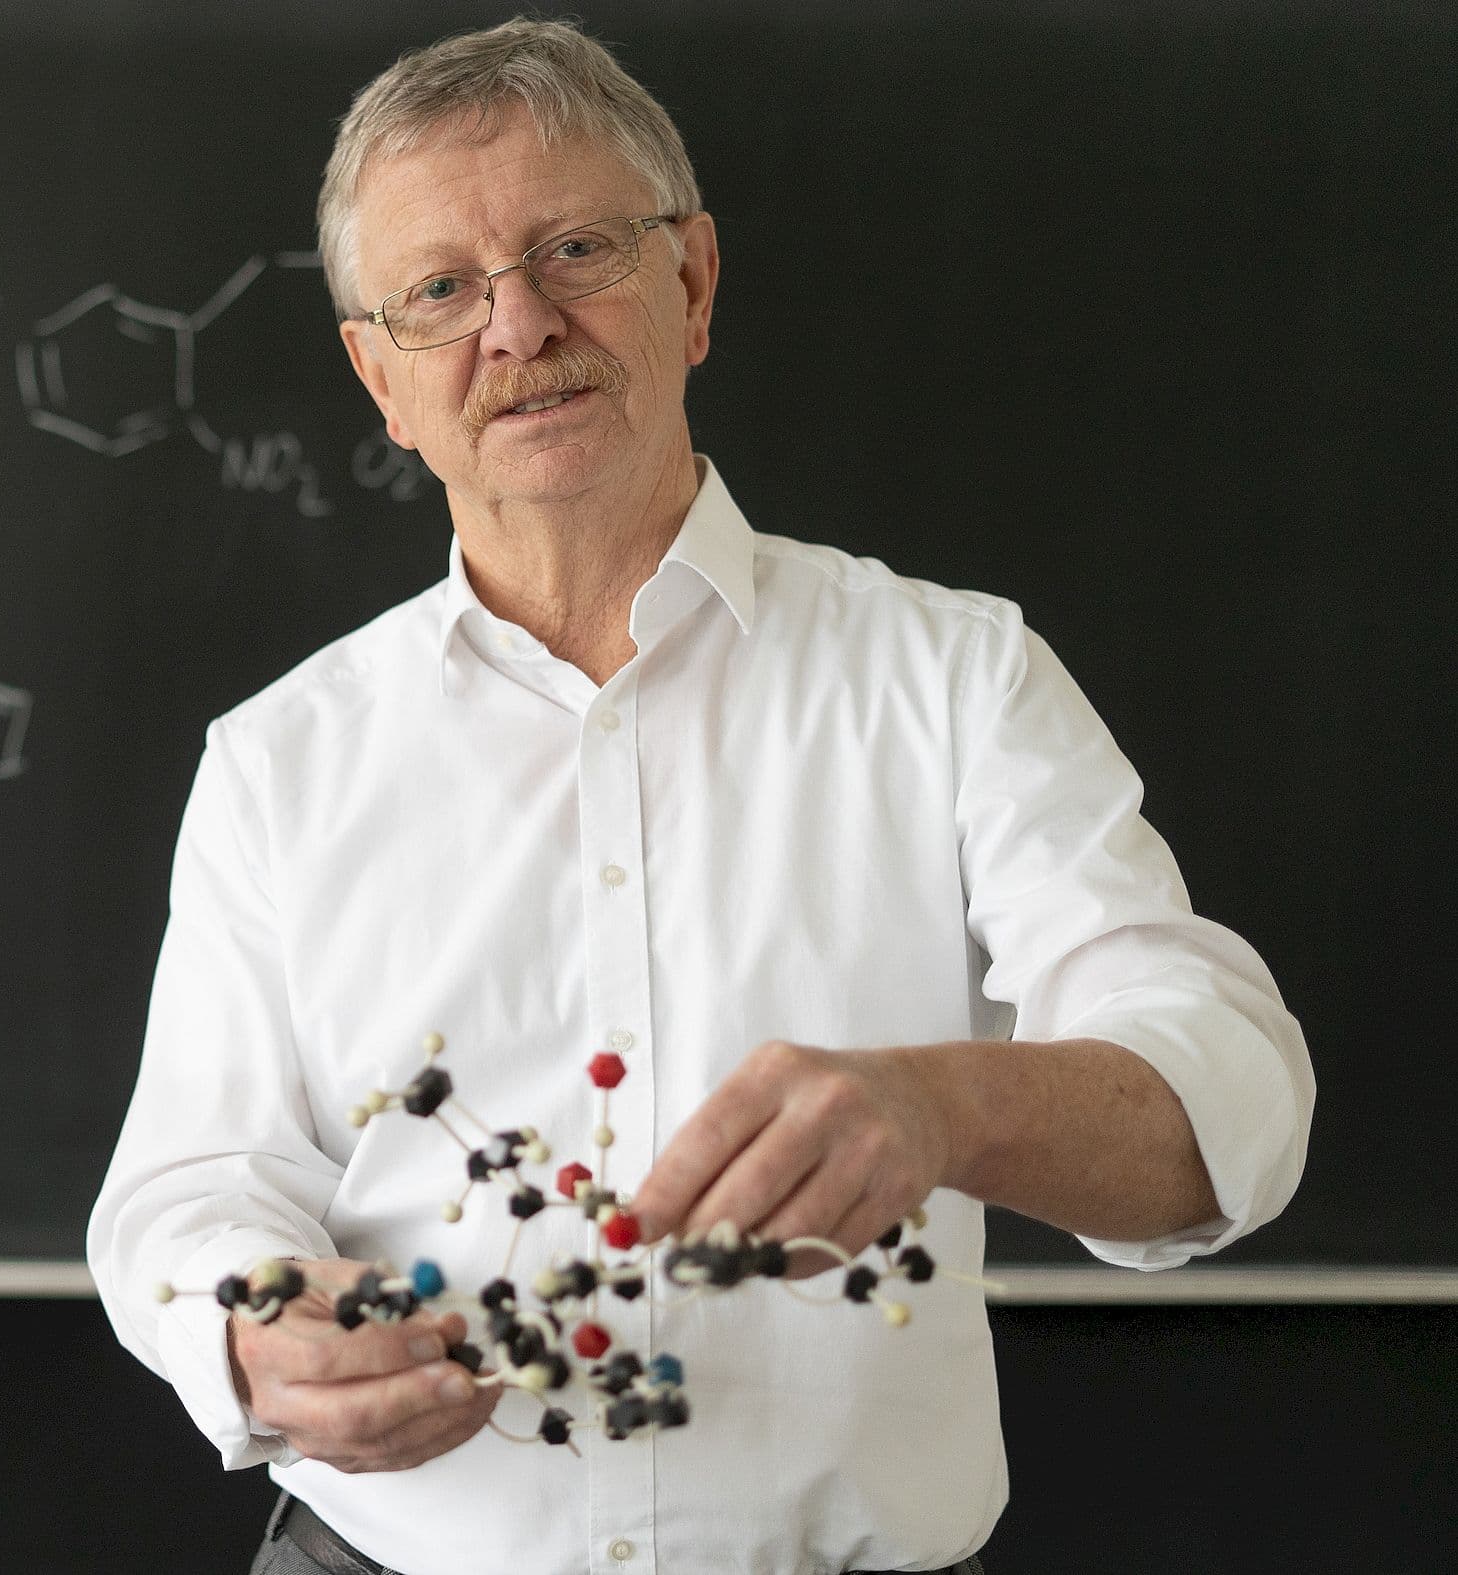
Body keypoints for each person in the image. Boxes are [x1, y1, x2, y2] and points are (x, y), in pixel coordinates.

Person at [86, 19, 1313, 1575]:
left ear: (693, 284)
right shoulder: (280, 758)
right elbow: (192, 1187)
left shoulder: (952, 678)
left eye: (574, 248)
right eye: (440, 291)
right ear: (379, 377)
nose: (516, 324)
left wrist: (945, 1106)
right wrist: (256, 1335)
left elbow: (1232, 1100)